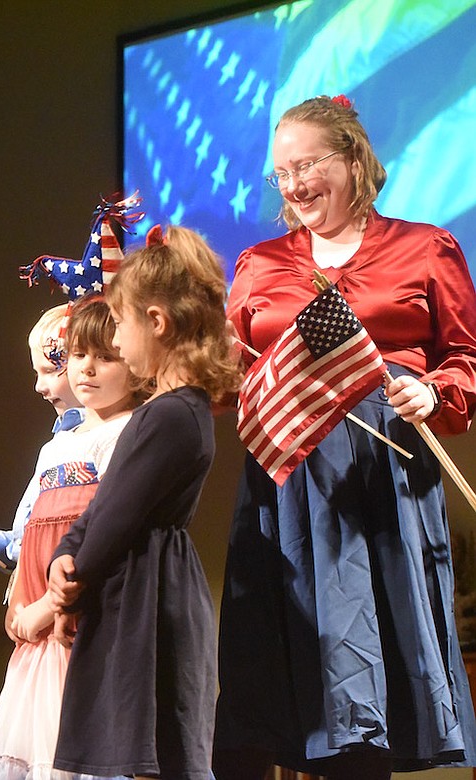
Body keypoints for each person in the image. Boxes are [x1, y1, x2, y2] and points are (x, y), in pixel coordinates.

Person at [214, 94, 476, 780]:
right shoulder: (258, 265)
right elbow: (224, 374)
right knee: (293, 676)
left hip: (385, 480)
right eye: (282, 173)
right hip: (291, 486)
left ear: (354, 159)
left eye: (308, 164)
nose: (294, 184)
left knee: (373, 688)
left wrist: (436, 390)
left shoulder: (427, 247)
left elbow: (465, 358)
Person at [47, 225, 242, 780]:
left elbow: (116, 515)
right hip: (132, 591)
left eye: (120, 323)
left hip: (150, 602)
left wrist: (72, 581)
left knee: (158, 756)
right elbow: (104, 504)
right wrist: (65, 553)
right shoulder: (165, 410)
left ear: (156, 322)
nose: (118, 338)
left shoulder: (176, 413)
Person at [0, 297, 143, 780]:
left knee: (82, 751)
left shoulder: (126, 433)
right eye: (76, 357)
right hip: (37, 629)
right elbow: (34, 533)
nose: (86, 370)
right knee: (41, 752)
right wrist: (19, 601)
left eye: (104, 357)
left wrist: (46, 608)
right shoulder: (58, 445)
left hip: (82, 621)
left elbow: (104, 534)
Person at [0, 304, 86, 567]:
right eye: (37, 373)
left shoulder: (111, 437)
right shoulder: (56, 446)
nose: (39, 386)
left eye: (50, 370)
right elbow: (30, 535)